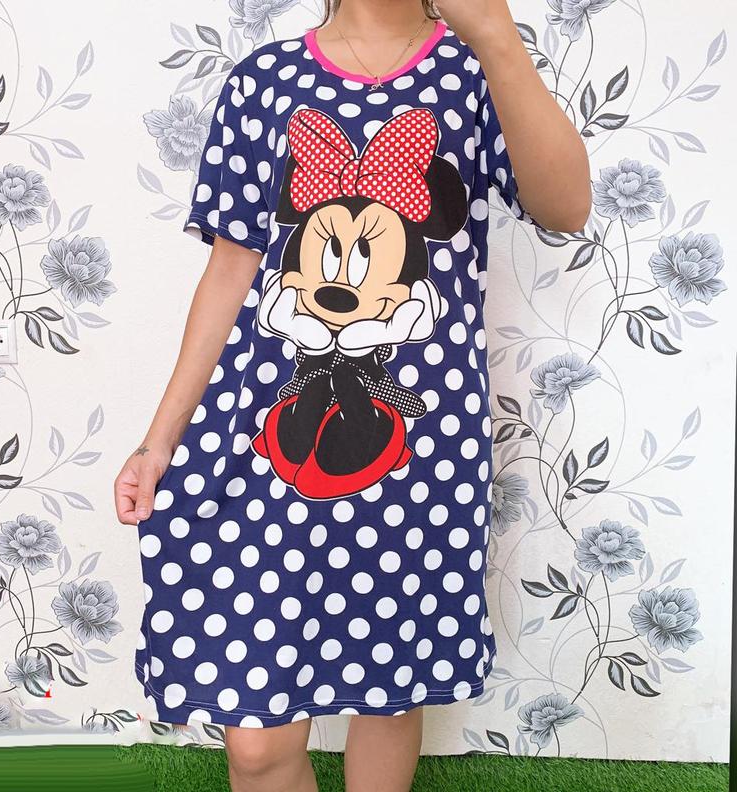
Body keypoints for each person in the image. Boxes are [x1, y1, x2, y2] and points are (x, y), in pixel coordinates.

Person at [114, 0, 591, 789]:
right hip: (265, 437)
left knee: (389, 690)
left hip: (416, 447)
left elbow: (565, 206)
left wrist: (496, 34)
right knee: (257, 745)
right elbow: (231, 270)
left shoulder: (477, 70)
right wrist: (158, 439)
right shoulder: (265, 80)